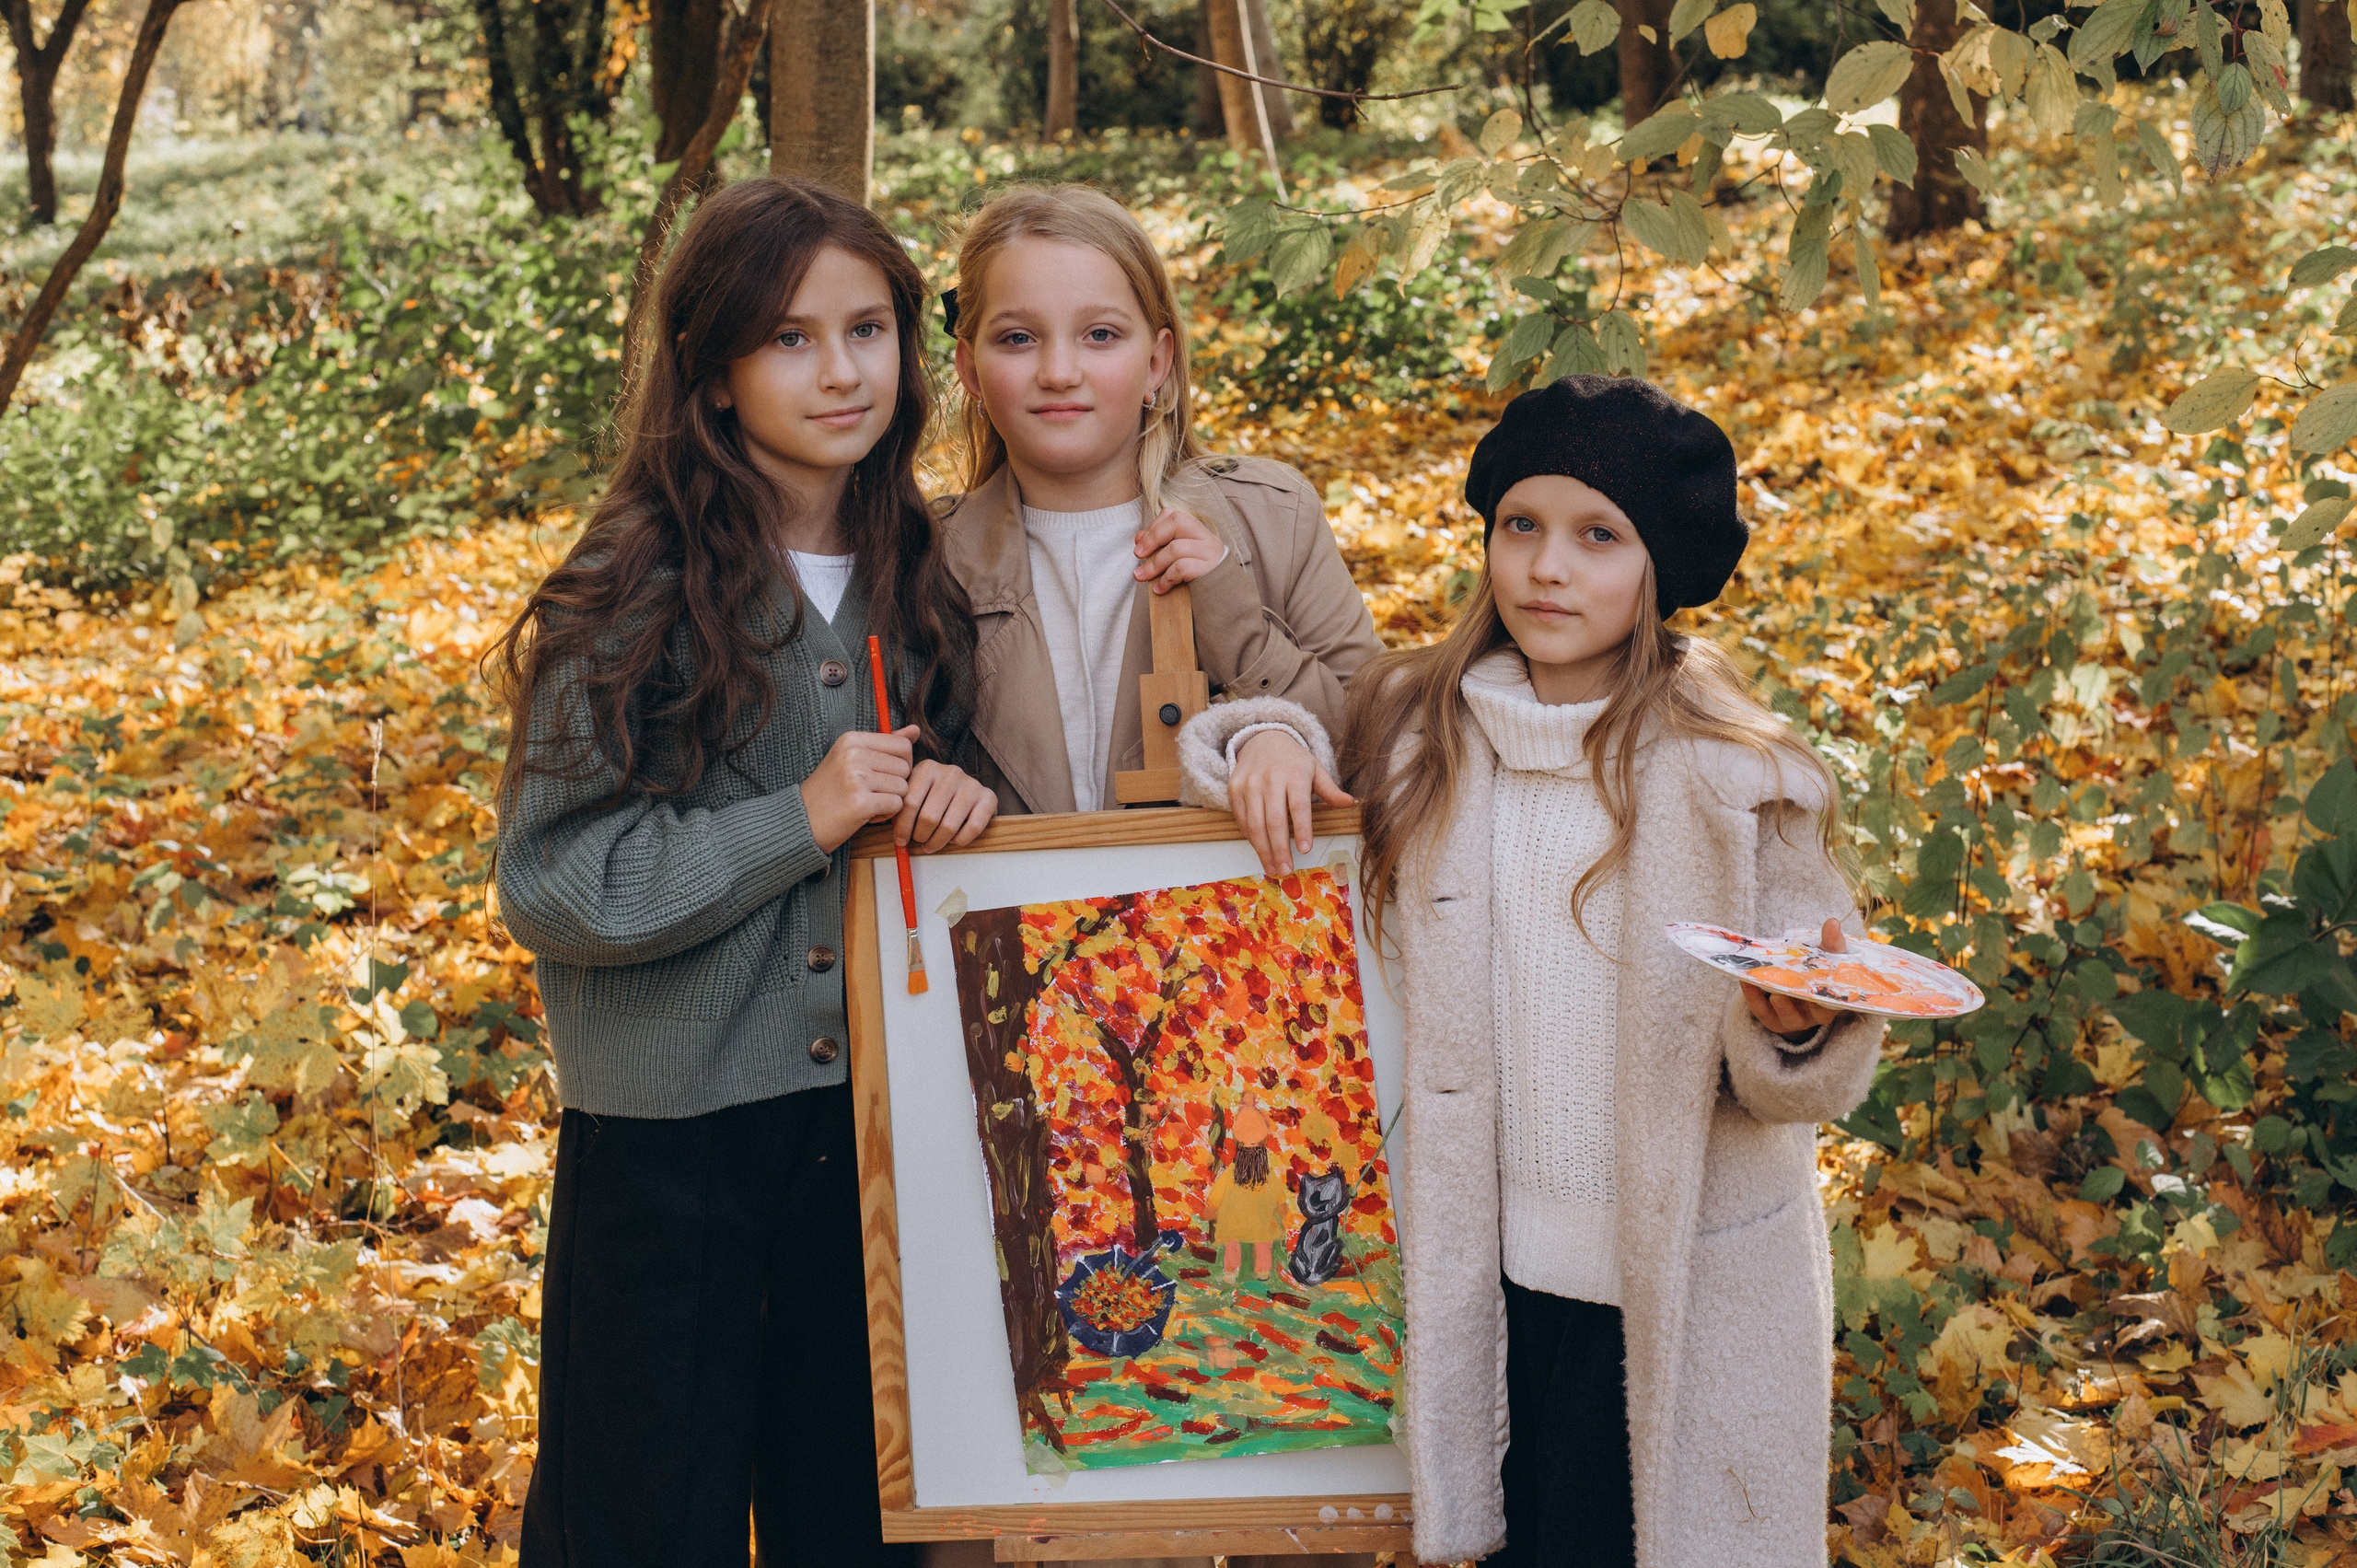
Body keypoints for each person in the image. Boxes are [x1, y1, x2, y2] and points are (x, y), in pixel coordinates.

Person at [1179, 376, 1886, 1568]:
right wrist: (1263, 740)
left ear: (1659, 564)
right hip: (1491, 1279)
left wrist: (1799, 1024)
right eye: (1522, 525)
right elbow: (1300, 733)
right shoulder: (1424, 733)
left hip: (1668, 1284)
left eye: (1597, 535)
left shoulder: (1740, 777)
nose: (1548, 565)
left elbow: (1800, 1068)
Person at [490, 177, 996, 1568]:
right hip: (670, 1149)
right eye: (788, 339)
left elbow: (944, 787)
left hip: (877, 1138)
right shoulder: (635, 580)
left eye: (869, 329)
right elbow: (553, 877)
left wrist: (961, 794)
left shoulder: (925, 562)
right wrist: (802, 816)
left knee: (863, 1507)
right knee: (648, 1518)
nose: (841, 371)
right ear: (712, 373)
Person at [937, 184, 1382, 877]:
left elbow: (1384, 740)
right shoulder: (920, 558)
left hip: (1227, 960)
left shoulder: (1273, 517)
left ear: (1157, 361)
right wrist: (925, 784)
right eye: (1018, 338)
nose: (1059, 372)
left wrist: (1268, 710)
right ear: (969, 368)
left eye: (1101, 335)